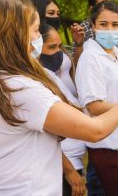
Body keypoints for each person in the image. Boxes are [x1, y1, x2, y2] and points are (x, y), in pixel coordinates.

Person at [0, 0, 118, 195]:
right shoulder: (21, 89)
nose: (36, 39)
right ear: (15, 34)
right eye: (35, 31)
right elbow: (95, 130)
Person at [75, 0, 118, 196]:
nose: (109, 29)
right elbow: (93, 106)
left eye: (115, 24)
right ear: (94, 26)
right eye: (103, 24)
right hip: (108, 144)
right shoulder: (90, 58)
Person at [38, 22, 87, 196]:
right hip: (59, 163)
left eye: (60, 47)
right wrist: (69, 170)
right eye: (51, 47)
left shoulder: (50, 75)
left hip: (72, 159)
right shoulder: (39, 79)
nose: (58, 52)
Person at [72, 0, 111, 64]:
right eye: (103, 4)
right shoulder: (83, 28)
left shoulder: (114, 27)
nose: (108, 7)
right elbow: (76, 63)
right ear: (91, 8)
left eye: (110, 4)